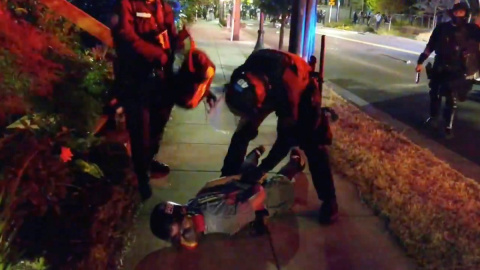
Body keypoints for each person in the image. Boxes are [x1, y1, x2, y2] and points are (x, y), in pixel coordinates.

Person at [219, 49, 338, 224]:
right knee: (243, 132)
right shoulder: (244, 72)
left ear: (261, 101)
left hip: (303, 92)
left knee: (313, 143)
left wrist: (262, 169)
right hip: (268, 84)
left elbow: (285, 140)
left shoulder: (290, 90)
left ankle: (329, 200)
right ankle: (228, 175)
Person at [150, 147, 306, 248]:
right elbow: (257, 198)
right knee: (275, 186)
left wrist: (240, 178)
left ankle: (259, 164)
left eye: (182, 231)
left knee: (266, 183)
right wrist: (251, 183)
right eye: (179, 238)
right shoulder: (220, 218)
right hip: (251, 200)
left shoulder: (203, 211)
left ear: (184, 211)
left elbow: (208, 187)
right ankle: (288, 167)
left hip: (241, 193)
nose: (185, 239)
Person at [111, 0, 184, 200]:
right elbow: (126, 37)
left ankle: (148, 160)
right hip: (136, 81)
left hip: (161, 80)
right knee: (139, 130)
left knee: (157, 126)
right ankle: (141, 177)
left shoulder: (163, 7)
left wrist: (179, 42)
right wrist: (156, 54)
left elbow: (171, 36)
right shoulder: (127, 4)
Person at [416, 2, 480, 137]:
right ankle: (433, 118)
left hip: (457, 68)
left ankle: (448, 125)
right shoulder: (441, 28)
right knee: (435, 93)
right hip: (439, 64)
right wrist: (421, 61)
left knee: (451, 96)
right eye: (456, 12)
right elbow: (430, 46)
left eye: (461, 12)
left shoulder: (471, 30)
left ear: (466, 14)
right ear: (452, 13)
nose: (458, 15)